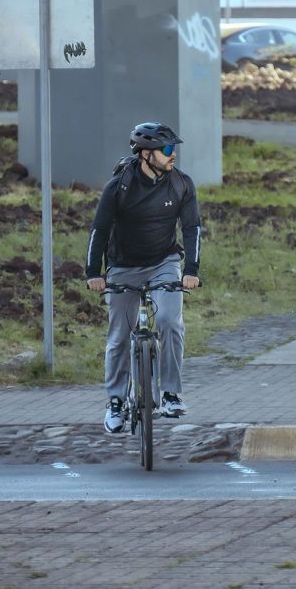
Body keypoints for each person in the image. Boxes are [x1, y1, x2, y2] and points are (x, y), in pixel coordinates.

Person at [85, 121, 201, 434]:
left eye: (173, 148)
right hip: (123, 266)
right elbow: (100, 230)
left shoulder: (181, 184)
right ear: (147, 154)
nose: (172, 154)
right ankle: (116, 402)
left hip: (164, 262)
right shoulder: (119, 186)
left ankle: (171, 394)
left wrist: (191, 270)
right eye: (166, 149)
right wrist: (94, 273)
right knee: (119, 335)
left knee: (170, 322)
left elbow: (192, 229)